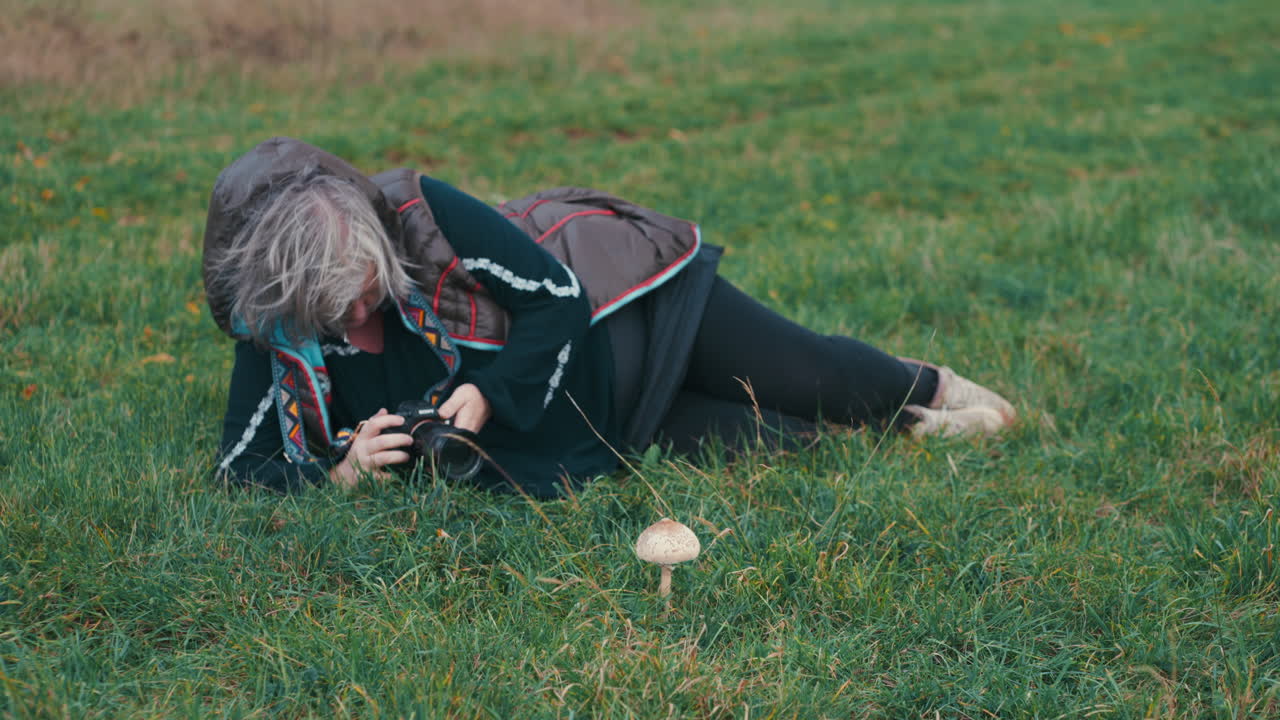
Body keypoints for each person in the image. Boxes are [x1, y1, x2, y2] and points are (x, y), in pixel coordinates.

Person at [203, 137, 1016, 498]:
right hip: (601, 433)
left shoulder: (422, 216)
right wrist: (338, 474)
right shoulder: (275, 321)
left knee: (818, 375)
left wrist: (486, 394)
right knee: (775, 440)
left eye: (365, 289)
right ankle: (910, 428)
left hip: (633, 319)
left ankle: (933, 389)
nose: (353, 314)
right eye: (331, 309)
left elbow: (557, 299)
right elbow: (241, 471)